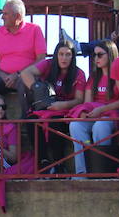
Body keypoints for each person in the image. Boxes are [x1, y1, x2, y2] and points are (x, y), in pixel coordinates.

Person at [21, 39, 86, 172]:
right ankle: (43, 162)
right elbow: (25, 73)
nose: (64, 58)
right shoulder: (48, 64)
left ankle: (58, 164)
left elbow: (79, 100)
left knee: (54, 123)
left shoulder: (79, 74)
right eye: (61, 54)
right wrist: (38, 89)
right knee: (32, 121)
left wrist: (62, 105)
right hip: (45, 109)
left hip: (65, 110)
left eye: (68, 54)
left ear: (73, 57)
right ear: (56, 55)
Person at [0, 0, 47, 104]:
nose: (2, 17)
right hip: (3, 78)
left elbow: (41, 60)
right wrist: (3, 75)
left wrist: (18, 74)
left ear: (18, 16)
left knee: (24, 82)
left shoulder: (35, 30)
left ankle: (25, 119)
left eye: (6, 14)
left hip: (25, 76)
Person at [70, 40, 119, 174]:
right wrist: (84, 113)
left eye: (100, 55)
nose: (96, 58)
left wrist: (101, 110)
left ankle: (101, 169)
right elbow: (88, 102)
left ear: (110, 55)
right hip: (95, 114)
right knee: (76, 125)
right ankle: (81, 173)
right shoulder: (93, 77)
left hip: (112, 115)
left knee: (100, 126)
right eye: (94, 55)